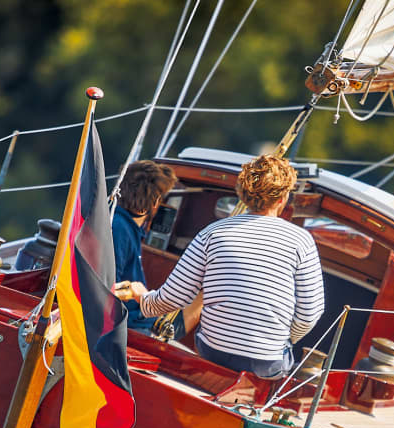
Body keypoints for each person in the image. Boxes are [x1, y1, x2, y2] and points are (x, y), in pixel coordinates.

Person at [119, 154, 324, 379]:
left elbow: (171, 299)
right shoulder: (302, 241)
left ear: (243, 194)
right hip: (267, 362)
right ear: (282, 199)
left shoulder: (212, 233)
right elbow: (309, 314)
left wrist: (143, 299)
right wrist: (282, 339)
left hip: (213, 354)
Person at [111, 160, 196, 338]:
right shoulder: (119, 229)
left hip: (141, 319)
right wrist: (141, 296)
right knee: (201, 298)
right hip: (133, 326)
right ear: (156, 201)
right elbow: (109, 292)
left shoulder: (124, 225)